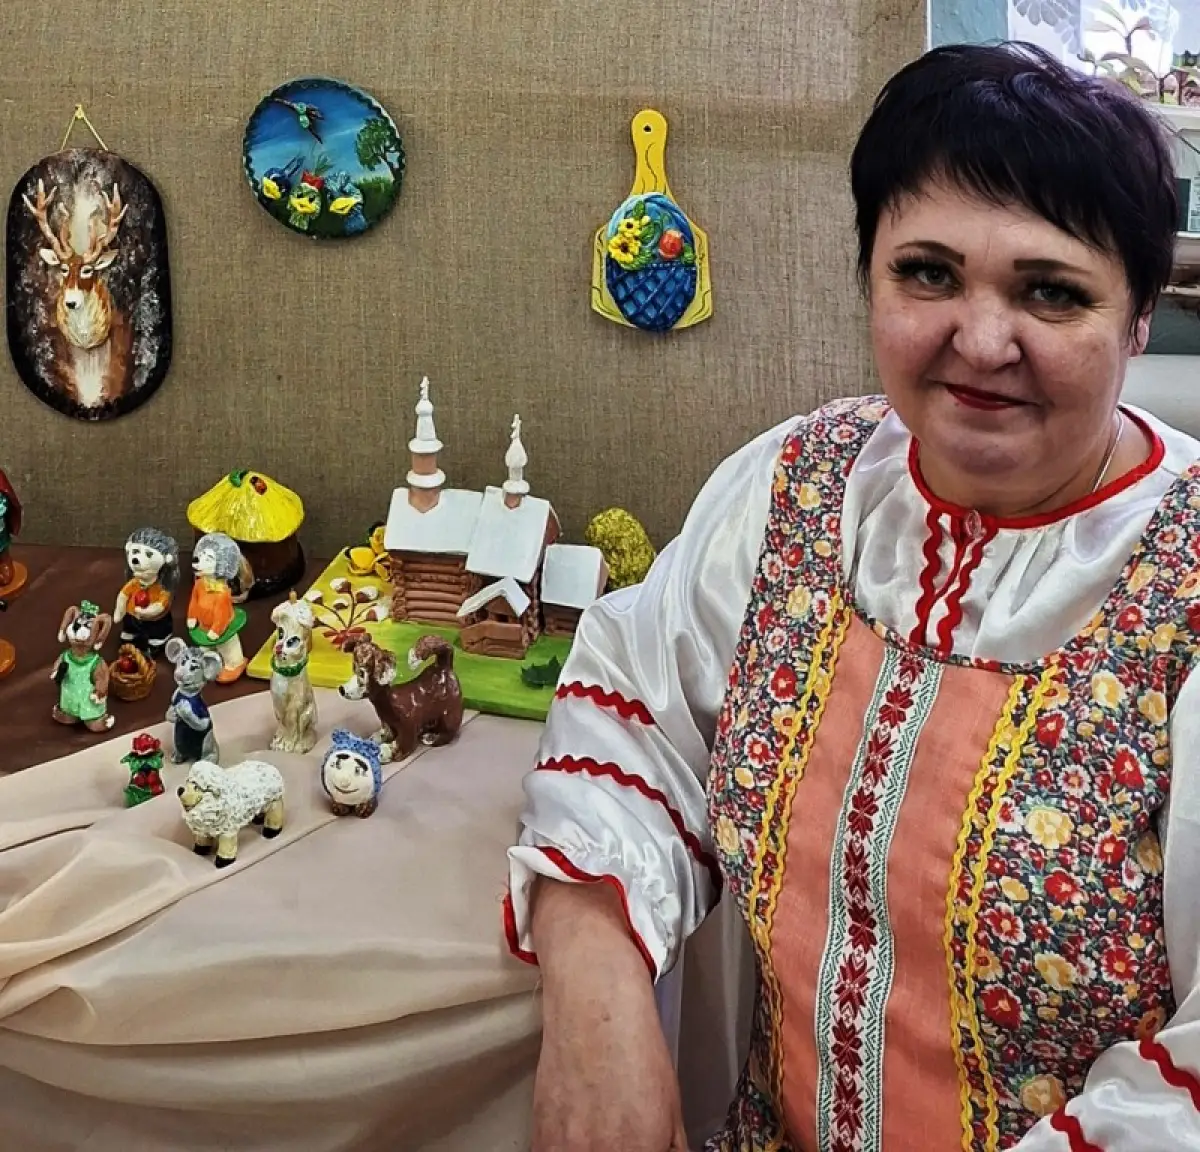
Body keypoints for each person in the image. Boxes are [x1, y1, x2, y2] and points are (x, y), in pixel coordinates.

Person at [503, 40, 1200, 1152]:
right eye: (928, 273)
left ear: (1138, 317)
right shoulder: (799, 484)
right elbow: (634, 712)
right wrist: (596, 991)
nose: (981, 340)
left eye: (1051, 291)